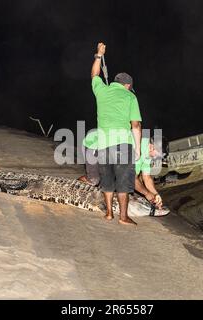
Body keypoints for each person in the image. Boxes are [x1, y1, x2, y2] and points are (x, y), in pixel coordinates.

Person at [91, 42, 142, 226]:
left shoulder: (102, 91)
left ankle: (109, 214)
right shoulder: (130, 97)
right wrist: (137, 149)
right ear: (127, 85)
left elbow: (95, 75)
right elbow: (135, 125)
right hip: (122, 143)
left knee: (107, 179)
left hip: (103, 144)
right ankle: (123, 217)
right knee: (123, 181)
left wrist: (98, 55)